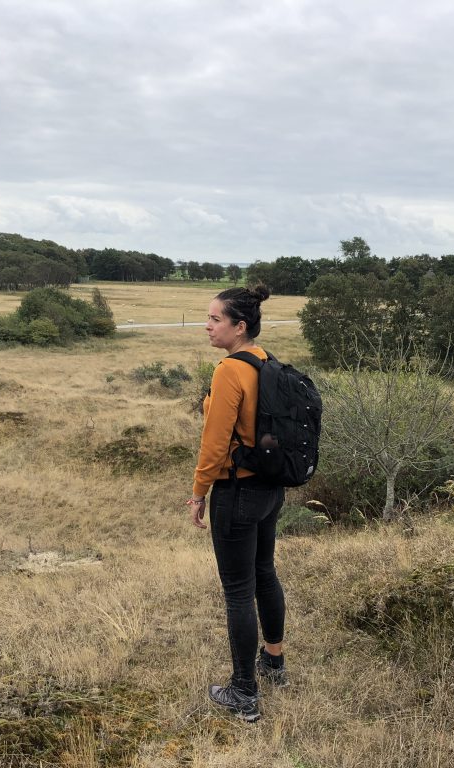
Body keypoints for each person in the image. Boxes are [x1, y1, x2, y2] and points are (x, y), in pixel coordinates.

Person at [187, 285, 288, 723]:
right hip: (270, 488)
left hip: (238, 491)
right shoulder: (265, 360)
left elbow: (214, 442)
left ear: (238, 325)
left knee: (237, 593)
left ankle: (244, 693)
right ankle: (274, 664)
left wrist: (198, 493)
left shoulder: (230, 369)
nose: (207, 326)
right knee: (264, 573)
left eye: (215, 319)